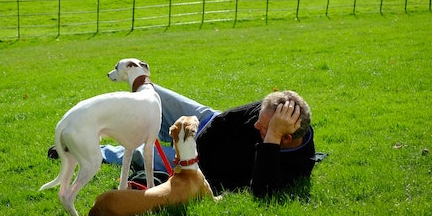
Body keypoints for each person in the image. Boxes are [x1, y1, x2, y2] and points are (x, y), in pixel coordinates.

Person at [85, 85, 316, 198]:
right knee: (151, 92)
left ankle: (97, 149)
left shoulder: (297, 167)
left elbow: (262, 192)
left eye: (264, 128)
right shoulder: (273, 111)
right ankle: (89, 120)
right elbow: (224, 120)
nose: (256, 125)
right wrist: (191, 147)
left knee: (139, 153)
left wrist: (187, 163)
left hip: (201, 167)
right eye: (259, 119)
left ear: (284, 138)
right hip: (206, 124)